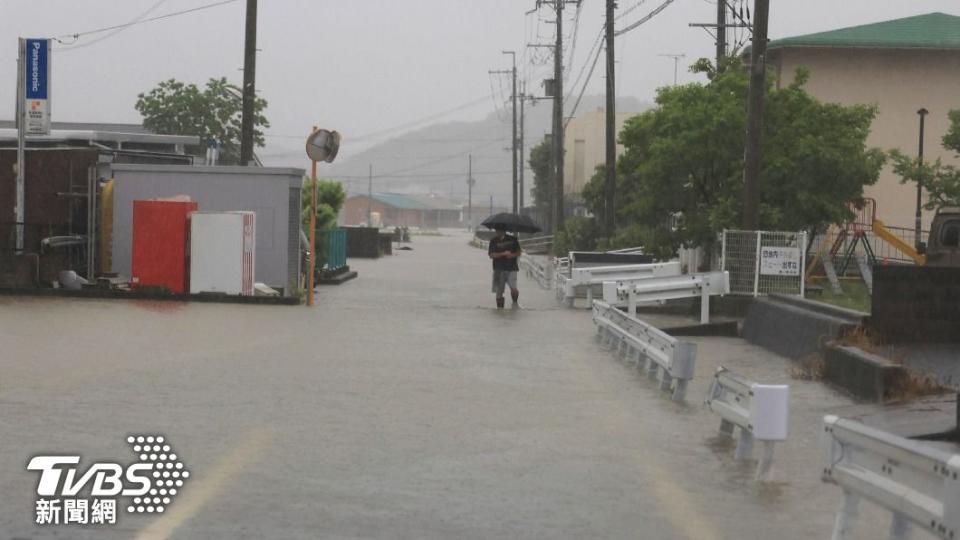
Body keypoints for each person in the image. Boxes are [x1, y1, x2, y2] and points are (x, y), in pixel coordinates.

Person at [488, 224, 521, 308]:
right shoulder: (493, 241)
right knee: (499, 293)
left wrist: (512, 255)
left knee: (514, 289)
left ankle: (515, 304)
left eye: (500, 230)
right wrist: (503, 254)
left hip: (512, 268)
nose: (498, 232)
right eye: (497, 230)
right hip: (498, 269)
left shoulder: (513, 240)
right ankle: (500, 311)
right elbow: (491, 255)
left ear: (504, 231)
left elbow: (518, 252)